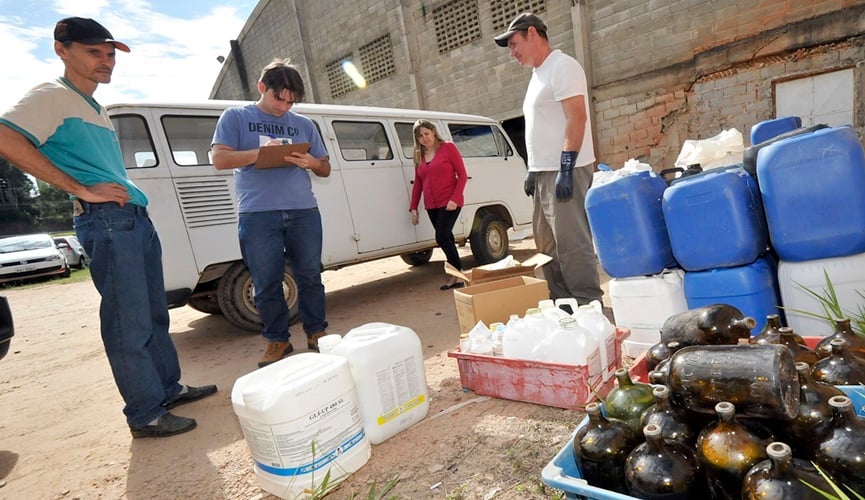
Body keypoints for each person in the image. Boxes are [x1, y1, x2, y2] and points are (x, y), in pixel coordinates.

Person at [0, 17, 217, 438]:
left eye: (110, 54)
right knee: (127, 320)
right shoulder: (52, 95)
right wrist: (79, 189)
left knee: (152, 313)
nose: (106, 61)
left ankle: (167, 390)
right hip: (109, 221)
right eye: (93, 52)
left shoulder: (94, 106)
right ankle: (145, 413)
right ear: (62, 50)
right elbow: (6, 137)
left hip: (131, 218)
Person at [212, 59, 331, 368]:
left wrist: (311, 163)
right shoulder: (236, 117)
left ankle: (317, 332)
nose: (284, 107)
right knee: (266, 281)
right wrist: (261, 155)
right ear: (262, 87)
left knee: (310, 276)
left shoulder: (304, 124)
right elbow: (219, 159)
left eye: (291, 102)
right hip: (257, 214)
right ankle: (278, 340)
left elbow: (325, 167)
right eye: (279, 99)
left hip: (303, 211)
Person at [495, 13, 603, 305]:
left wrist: (566, 168)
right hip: (544, 172)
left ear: (532, 33)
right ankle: (563, 303)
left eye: (514, 44)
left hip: (566, 169)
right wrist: (533, 169)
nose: (512, 53)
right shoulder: (537, 74)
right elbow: (541, 126)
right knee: (546, 245)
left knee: (571, 243)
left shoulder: (563, 66)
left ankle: (587, 302)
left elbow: (576, 118)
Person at [408, 120, 468, 290]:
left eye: (427, 133)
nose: (424, 138)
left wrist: (454, 199)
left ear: (433, 132)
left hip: (450, 202)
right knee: (446, 238)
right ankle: (458, 275)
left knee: (441, 237)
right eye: (420, 136)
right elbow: (418, 183)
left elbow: (462, 175)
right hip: (431, 206)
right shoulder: (419, 155)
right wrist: (413, 207)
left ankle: (456, 274)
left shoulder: (448, 148)